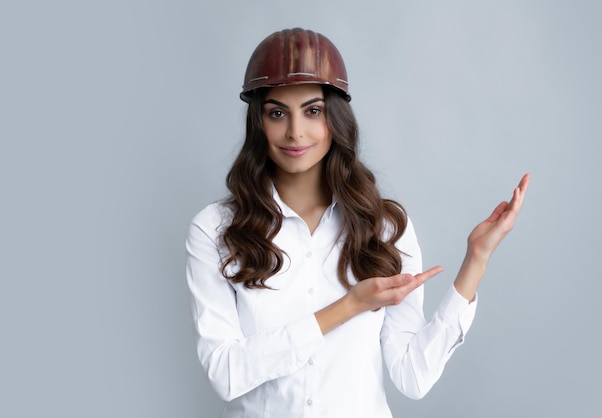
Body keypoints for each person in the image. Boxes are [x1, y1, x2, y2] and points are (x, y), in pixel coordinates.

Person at [186, 28, 530, 417]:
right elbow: (225, 373)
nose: (295, 131)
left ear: (335, 117)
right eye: (277, 112)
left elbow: (413, 376)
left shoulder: (383, 227)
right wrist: (349, 306)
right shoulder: (216, 230)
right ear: (259, 122)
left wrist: (476, 261)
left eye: (312, 111)